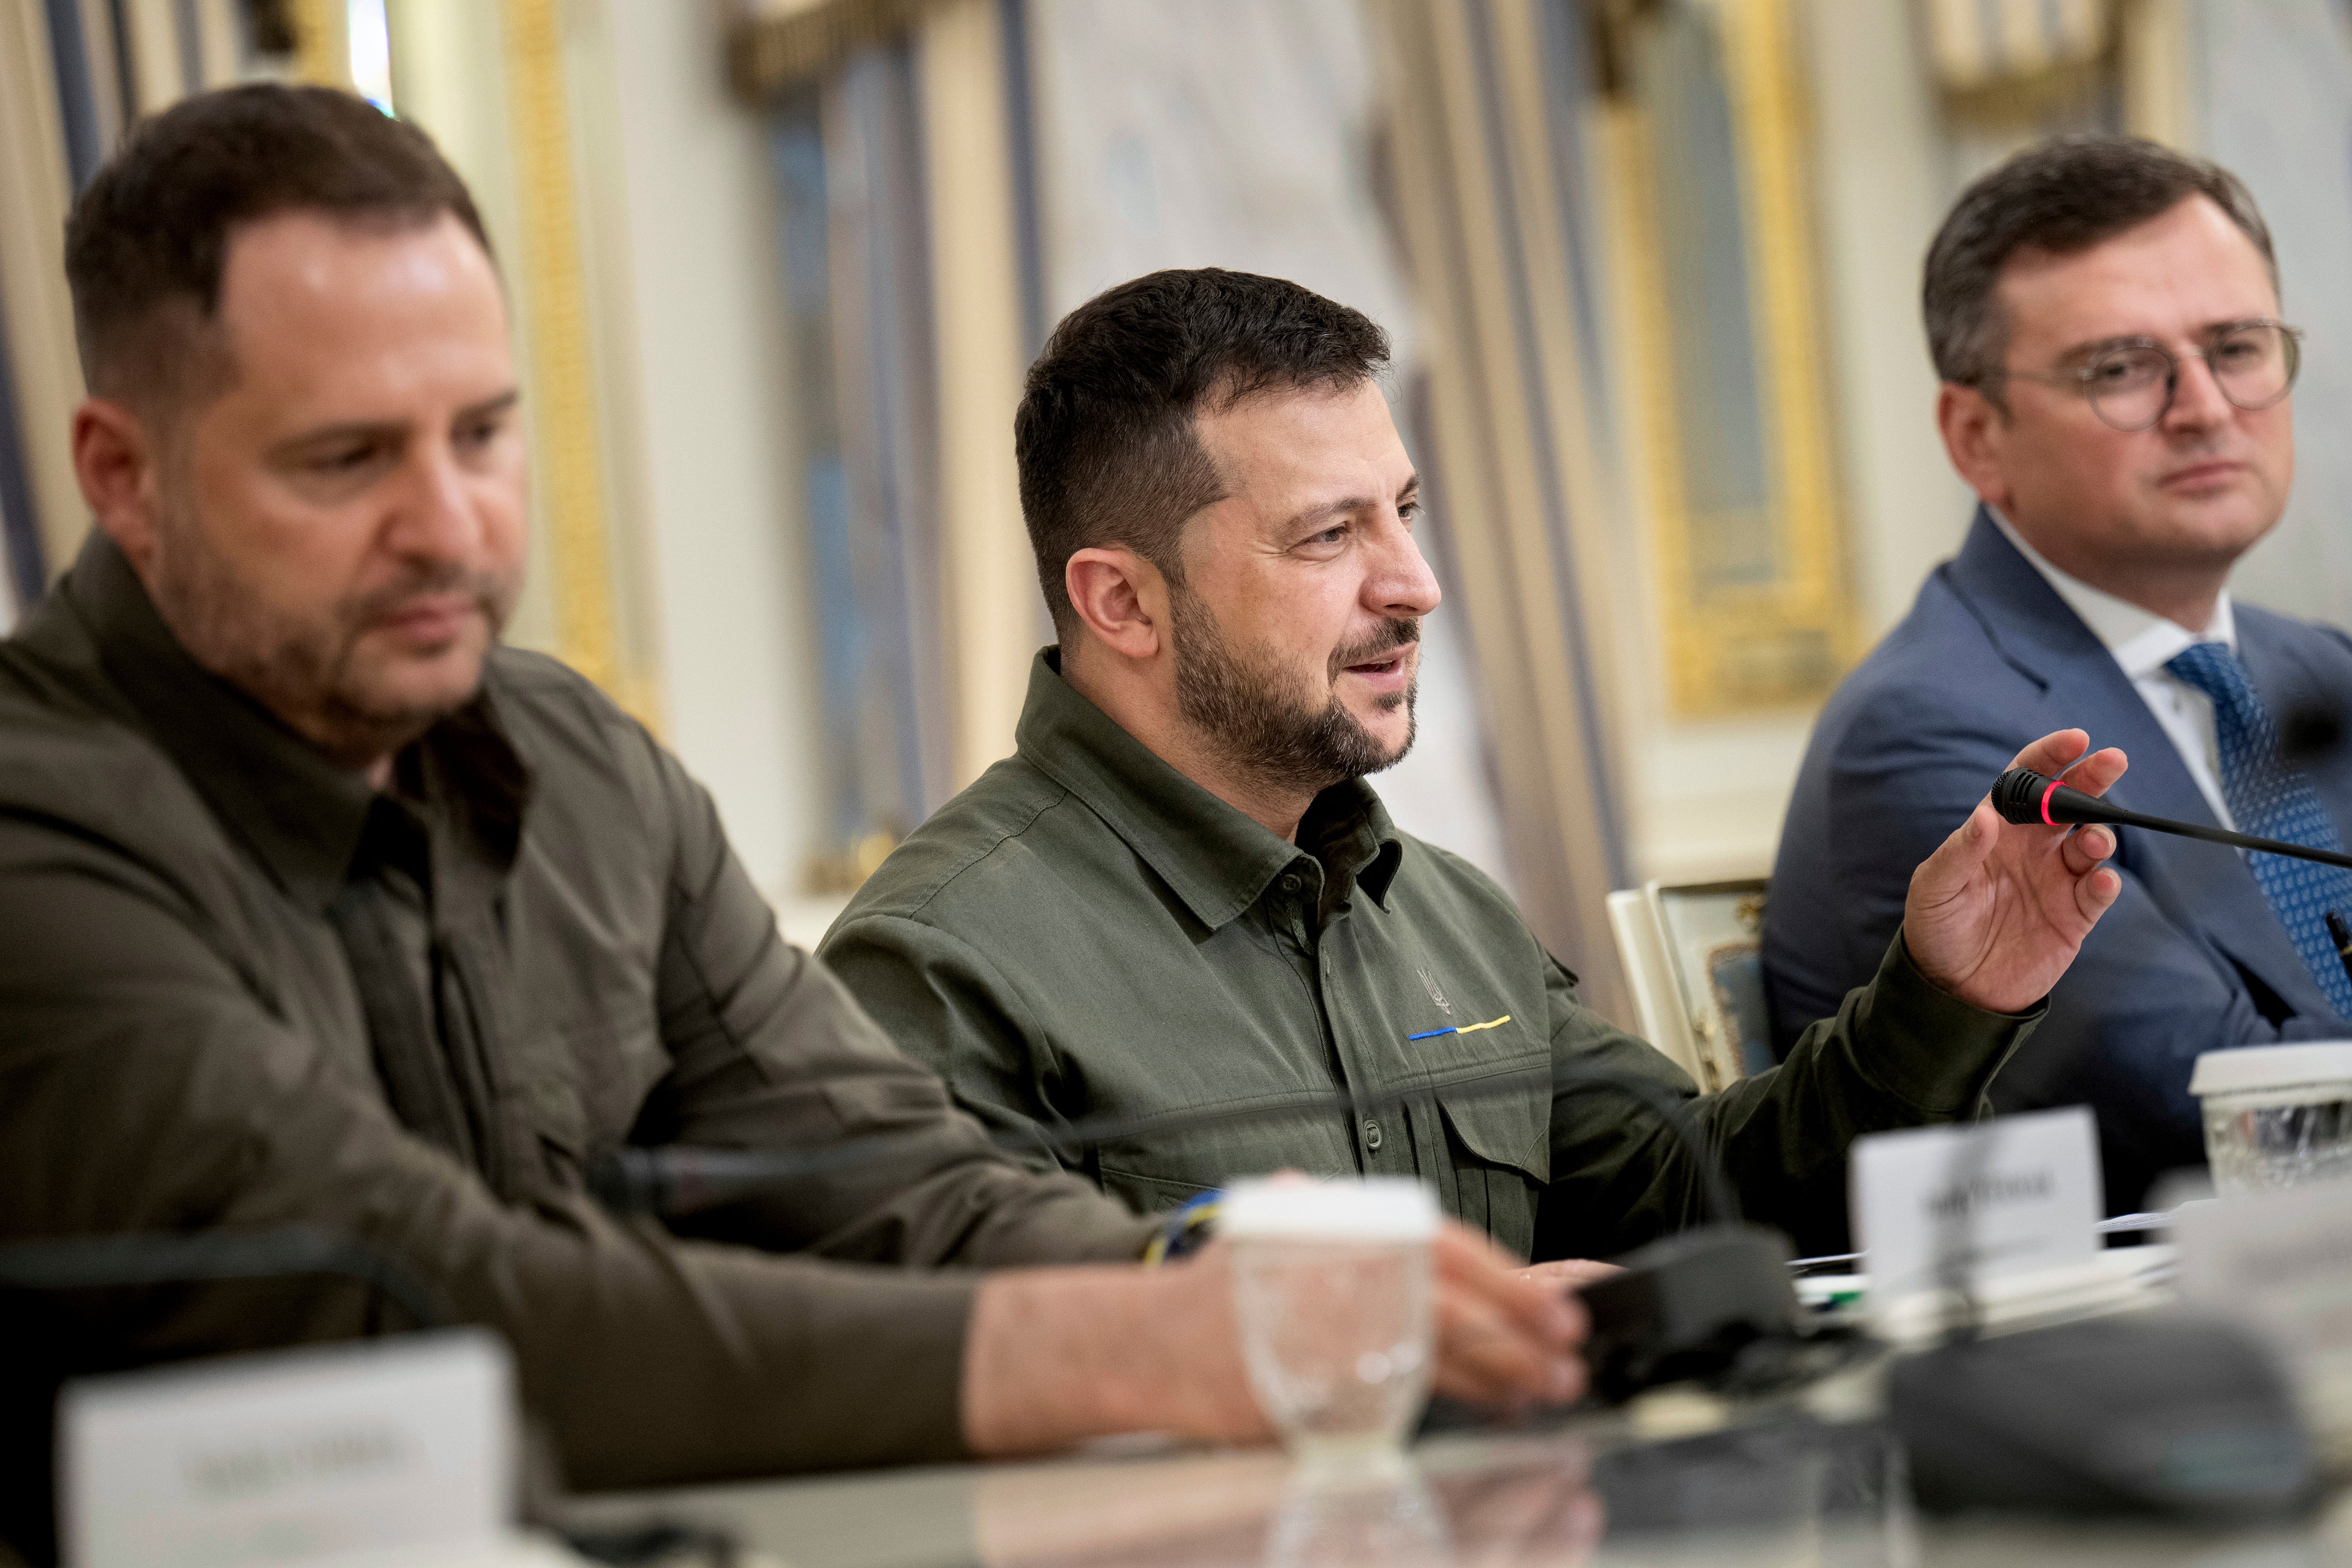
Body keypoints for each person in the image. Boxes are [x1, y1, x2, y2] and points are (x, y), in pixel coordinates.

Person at [0, 88, 1585, 1563]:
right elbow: (434, 1301)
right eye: (346, 459)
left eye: (481, 435)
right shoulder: (33, 823)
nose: (449, 525)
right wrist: (1159, 1336)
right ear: (123, 477)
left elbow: (894, 1178)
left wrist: (1199, 1275)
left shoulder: (576, 765)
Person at [818, 266, 2124, 1266]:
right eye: (1330, 535)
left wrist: (1947, 993)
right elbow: (974, 1388)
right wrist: (1432, 1355)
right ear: (1121, 603)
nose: (1418, 585)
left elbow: (1703, 1196)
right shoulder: (940, 965)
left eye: (1407, 512)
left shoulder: (1440, 908)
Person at [1764, 134, 2352, 1213]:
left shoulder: (2323, 670)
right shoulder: (1936, 732)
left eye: (2237, 346)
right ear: (1977, 434)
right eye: (2121, 369)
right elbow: (2216, 1119)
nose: (2206, 406)